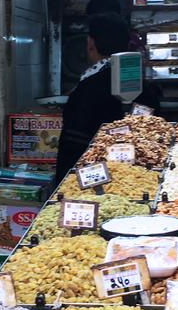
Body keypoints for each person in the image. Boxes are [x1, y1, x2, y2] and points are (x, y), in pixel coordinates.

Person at [54, 11, 128, 183]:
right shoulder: (139, 82)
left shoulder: (88, 87)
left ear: (90, 43)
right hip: (129, 176)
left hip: (90, 179)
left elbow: (72, 147)